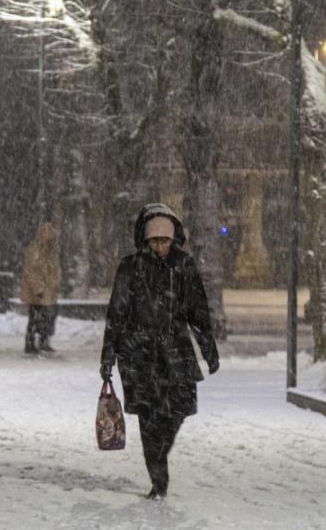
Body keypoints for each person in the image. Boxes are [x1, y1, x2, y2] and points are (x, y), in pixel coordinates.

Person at [99, 203, 220, 501]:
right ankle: (158, 479)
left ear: (174, 239)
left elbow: (198, 311)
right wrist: (108, 356)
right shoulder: (131, 267)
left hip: (176, 352)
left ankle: (159, 457)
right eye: (155, 241)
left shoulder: (183, 265)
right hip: (139, 356)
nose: (160, 247)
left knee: (176, 412)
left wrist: (208, 349)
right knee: (149, 419)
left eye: (165, 240)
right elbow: (117, 312)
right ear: (145, 240)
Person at [20, 222, 61, 354]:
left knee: (49, 316)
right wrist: (38, 288)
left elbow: (55, 269)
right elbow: (31, 271)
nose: (52, 241)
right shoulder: (34, 249)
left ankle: (43, 341)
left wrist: (56, 282)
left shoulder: (50, 251)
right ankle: (30, 342)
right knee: (35, 316)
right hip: (37, 292)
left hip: (48, 290)